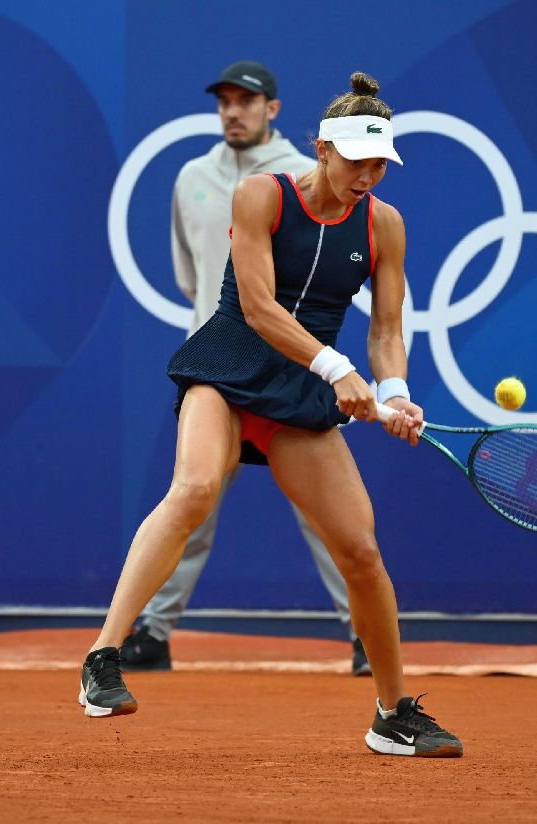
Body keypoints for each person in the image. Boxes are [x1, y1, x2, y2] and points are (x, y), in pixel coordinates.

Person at [80, 71, 463, 758]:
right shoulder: (261, 194)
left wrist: (396, 389)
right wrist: (336, 369)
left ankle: (392, 711)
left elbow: (384, 327)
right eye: (356, 161)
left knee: (360, 549)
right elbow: (256, 307)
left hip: (297, 396)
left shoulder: (385, 225)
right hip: (229, 366)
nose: (368, 175)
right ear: (320, 150)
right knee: (194, 489)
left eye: (380, 163)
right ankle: (104, 657)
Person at [119, 60, 369, 678]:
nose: (234, 110)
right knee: (192, 498)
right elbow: (191, 277)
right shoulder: (191, 177)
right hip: (221, 363)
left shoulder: (307, 177)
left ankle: (363, 632)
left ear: (273, 110)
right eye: (226, 101)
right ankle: (152, 631)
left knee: (324, 516)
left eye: (247, 101)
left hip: (294, 368)